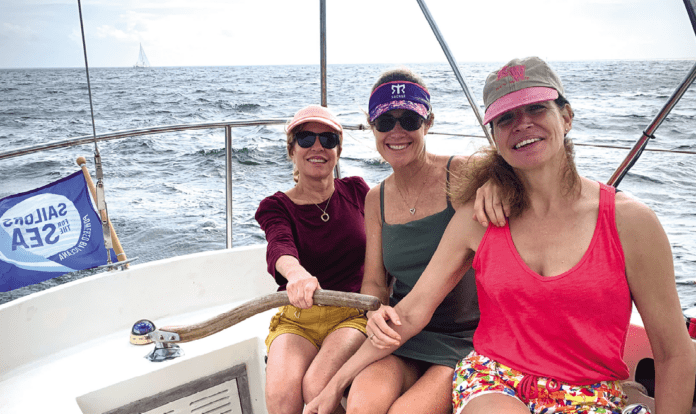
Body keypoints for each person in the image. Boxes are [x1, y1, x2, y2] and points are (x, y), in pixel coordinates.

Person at [305, 57, 695, 414]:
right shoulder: (476, 215)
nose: (522, 124)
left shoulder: (631, 223)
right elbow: (407, 310)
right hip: (494, 378)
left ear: (567, 117)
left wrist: (489, 181)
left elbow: (674, 352)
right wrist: (334, 383)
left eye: (536, 108)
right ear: (494, 136)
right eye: (506, 118)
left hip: (581, 389)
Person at [345, 68, 506, 414]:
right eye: (384, 122)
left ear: (428, 122)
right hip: (403, 332)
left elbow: (516, 172)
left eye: (409, 120)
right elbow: (374, 281)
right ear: (372, 127)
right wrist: (375, 311)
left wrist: (497, 182)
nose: (397, 132)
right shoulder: (375, 199)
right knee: (361, 406)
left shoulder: (463, 172)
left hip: (466, 338)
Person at [255, 104, 370, 414]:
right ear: (292, 150)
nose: (317, 147)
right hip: (298, 317)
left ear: (338, 151)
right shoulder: (276, 206)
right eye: (306, 138)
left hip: (352, 313)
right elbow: (279, 246)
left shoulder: (357, 191)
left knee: (317, 385)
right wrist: (296, 275)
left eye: (328, 139)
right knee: (280, 397)